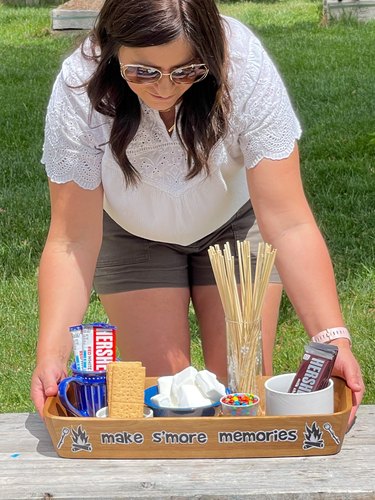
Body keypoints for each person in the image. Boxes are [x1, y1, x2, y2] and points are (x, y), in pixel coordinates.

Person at [31, 0, 364, 425]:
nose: (165, 88)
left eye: (187, 70)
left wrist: (333, 339)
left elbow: (290, 222)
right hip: (133, 233)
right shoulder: (81, 84)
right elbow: (71, 240)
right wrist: (51, 354)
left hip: (237, 226)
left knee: (239, 398)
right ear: (113, 50)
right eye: (143, 71)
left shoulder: (242, 63)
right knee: (169, 406)